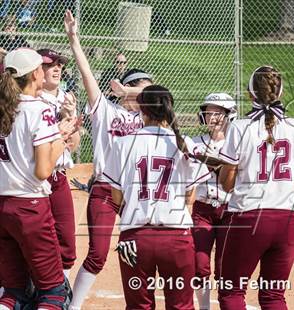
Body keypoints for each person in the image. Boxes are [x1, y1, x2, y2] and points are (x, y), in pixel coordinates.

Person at [63, 10, 153, 310]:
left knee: (138, 251)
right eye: (139, 86)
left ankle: (138, 303)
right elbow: (87, 75)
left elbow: (159, 99)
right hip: (105, 190)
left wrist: (132, 90)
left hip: (136, 194)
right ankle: (72, 306)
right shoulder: (107, 111)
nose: (144, 93)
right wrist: (74, 40)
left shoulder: (153, 120)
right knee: (98, 255)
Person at [103, 85, 211, 309]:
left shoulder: (123, 144)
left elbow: (116, 197)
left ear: (142, 112)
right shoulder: (185, 144)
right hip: (176, 237)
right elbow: (190, 197)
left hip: (134, 237)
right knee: (181, 305)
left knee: (138, 306)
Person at [217, 66, 294, 309]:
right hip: (289, 217)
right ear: (280, 93)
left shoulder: (240, 127)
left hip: (249, 214)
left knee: (232, 291)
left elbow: (226, 183)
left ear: (251, 94)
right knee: (273, 296)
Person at [0, 48, 75, 309]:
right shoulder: (39, 109)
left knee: (13, 293)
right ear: (35, 74)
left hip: (3, 205)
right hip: (30, 206)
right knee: (54, 293)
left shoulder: (4, 107)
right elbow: (43, 171)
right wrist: (61, 136)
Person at [37, 48, 81, 279]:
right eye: (49, 64)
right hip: (35, 177)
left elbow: (73, 144)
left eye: (59, 65)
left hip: (59, 177)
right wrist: (59, 125)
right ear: (37, 70)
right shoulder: (29, 99)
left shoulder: (67, 98)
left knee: (66, 239)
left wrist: (70, 119)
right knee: (34, 240)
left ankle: (60, 288)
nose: (56, 68)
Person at [191, 92, 237, 309]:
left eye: (219, 112)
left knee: (225, 267)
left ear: (230, 115)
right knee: (199, 264)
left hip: (230, 209)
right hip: (203, 208)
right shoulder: (196, 143)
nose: (213, 117)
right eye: (209, 112)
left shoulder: (236, 144)